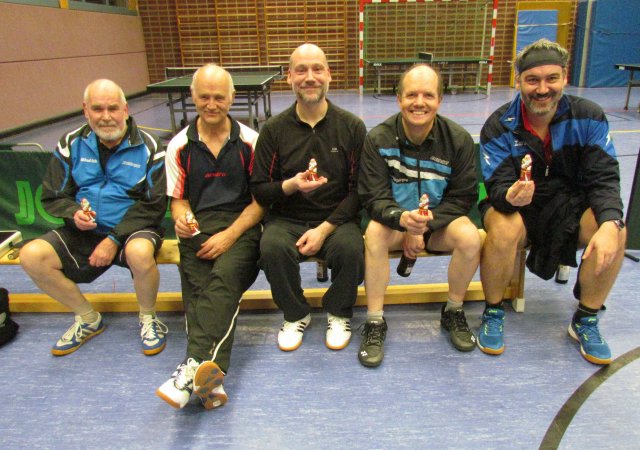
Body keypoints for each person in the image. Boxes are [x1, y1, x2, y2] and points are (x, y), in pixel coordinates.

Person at [478, 39, 626, 365]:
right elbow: (495, 185)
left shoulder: (589, 117)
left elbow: (604, 179)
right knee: (502, 227)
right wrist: (510, 196)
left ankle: (585, 319)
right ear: (518, 81)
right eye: (532, 80)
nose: (542, 89)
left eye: (551, 79)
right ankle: (493, 311)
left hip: (570, 204)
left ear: (565, 78)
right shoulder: (499, 125)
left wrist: (610, 222)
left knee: (615, 229)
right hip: (516, 206)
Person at [19, 79, 168, 356]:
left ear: (125, 110)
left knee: (139, 253)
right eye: (98, 109)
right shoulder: (70, 143)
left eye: (113, 108)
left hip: (132, 229)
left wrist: (113, 239)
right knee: (31, 256)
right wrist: (73, 213)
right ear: (85, 110)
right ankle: (87, 318)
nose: (106, 116)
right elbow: (53, 196)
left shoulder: (149, 146)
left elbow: (154, 204)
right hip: (83, 230)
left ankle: (148, 318)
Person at [357, 64, 481, 367]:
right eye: (411, 95)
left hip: (437, 226)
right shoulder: (379, 139)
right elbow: (373, 197)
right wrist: (403, 222)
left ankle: (453, 310)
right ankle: (374, 321)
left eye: (428, 95)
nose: (419, 102)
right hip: (395, 224)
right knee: (373, 233)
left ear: (439, 100)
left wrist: (423, 227)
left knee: (470, 236)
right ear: (399, 98)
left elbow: (463, 197)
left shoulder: (459, 140)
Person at [156, 64, 263, 410]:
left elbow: (260, 203)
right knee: (200, 293)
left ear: (232, 98)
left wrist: (229, 237)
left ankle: (190, 369)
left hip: (242, 229)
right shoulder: (178, 146)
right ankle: (210, 381)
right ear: (193, 96)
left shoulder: (251, 142)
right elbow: (178, 200)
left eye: (219, 97)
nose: (211, 104)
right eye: (204, 97)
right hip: (198, 231)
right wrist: (183, 219)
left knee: (223, 282)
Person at [251, 43, 366, 352]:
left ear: (328, 74)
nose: (310, 77)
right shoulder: (273, 130)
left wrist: (324, 229)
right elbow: (260, 188)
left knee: (352, 249)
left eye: (317, 69)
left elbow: (360, 191)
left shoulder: (352, 127)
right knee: (272, 248)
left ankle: (339, 311)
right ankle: (295, 313)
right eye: (301, 70)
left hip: (336, 219)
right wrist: (291, 186)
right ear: (290, 77)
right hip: (287, 220)